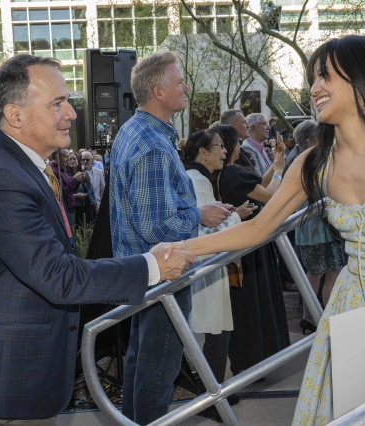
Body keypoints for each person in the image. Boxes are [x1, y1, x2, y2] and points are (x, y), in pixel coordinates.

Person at [161, 35, 365, 424]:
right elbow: (257, 229)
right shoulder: (314, 163)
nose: (314, 88)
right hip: (352, 311)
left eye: (326, 76)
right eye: (313, 77)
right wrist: (183, 246)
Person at [0, 54, 197, 426]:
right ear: (15, 115)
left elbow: (10, 260)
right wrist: (153, 266)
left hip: (19, 378)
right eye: (57, 103)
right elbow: (60, 277)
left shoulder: (15, 165)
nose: (72, 114)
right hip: (10, 387)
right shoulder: (0, 178)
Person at [109, 51, 232, 425]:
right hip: (161, 274)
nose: (186, 87)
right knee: (157, 367)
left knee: (141, 360)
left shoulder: (136, 131)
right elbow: (156, 228)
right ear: (159, 91)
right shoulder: (151, 145)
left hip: (142, 272)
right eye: (180, 82)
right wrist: (200, 214)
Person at [182, 129, 256, 421]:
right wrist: (237, 217)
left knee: (216, 330)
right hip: (207, 265)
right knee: (215, 331)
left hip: (207, 263)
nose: (224, 152)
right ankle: (211, 397)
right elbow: (209, 225)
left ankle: (214, 390)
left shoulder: (198, 178)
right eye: (219, 147)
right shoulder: (197, 180)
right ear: (202, 152)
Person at [212, 123, 291, 378]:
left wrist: (275, 165)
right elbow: (270, 195)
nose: (232, 148)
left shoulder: (226, 173)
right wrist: (280, 170)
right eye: (233, 142)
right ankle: (254, 361)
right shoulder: (232, 174)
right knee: (254, 305)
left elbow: (258, 183)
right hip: (250, 247)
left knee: (247, 305)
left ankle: (249, 361)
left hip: (242, 243)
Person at [292, 120, 347, 335]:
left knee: (316, 274)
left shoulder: (299, 160)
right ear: (311, 141)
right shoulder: (312, 160)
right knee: (330, 273)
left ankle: (311, 318)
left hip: (310, 229)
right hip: (319, 227)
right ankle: (325, 318)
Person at [50, 148, 85, 228]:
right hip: (64, 210)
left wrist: (78, 180)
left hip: (70, 208)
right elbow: (61, 193)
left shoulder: (61, 169)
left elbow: (69, 189)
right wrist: (75, 180)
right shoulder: (54, 171)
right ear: (57, 157)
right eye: (66, 157)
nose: (68, 160)